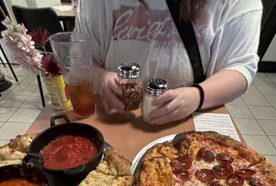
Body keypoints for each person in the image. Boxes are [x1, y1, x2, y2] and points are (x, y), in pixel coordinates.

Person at [74, 0, 262, 125]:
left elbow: (240, 67)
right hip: (114, 113)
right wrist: (99, 79)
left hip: (194, 112)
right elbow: (80, 59)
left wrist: (198, 96)